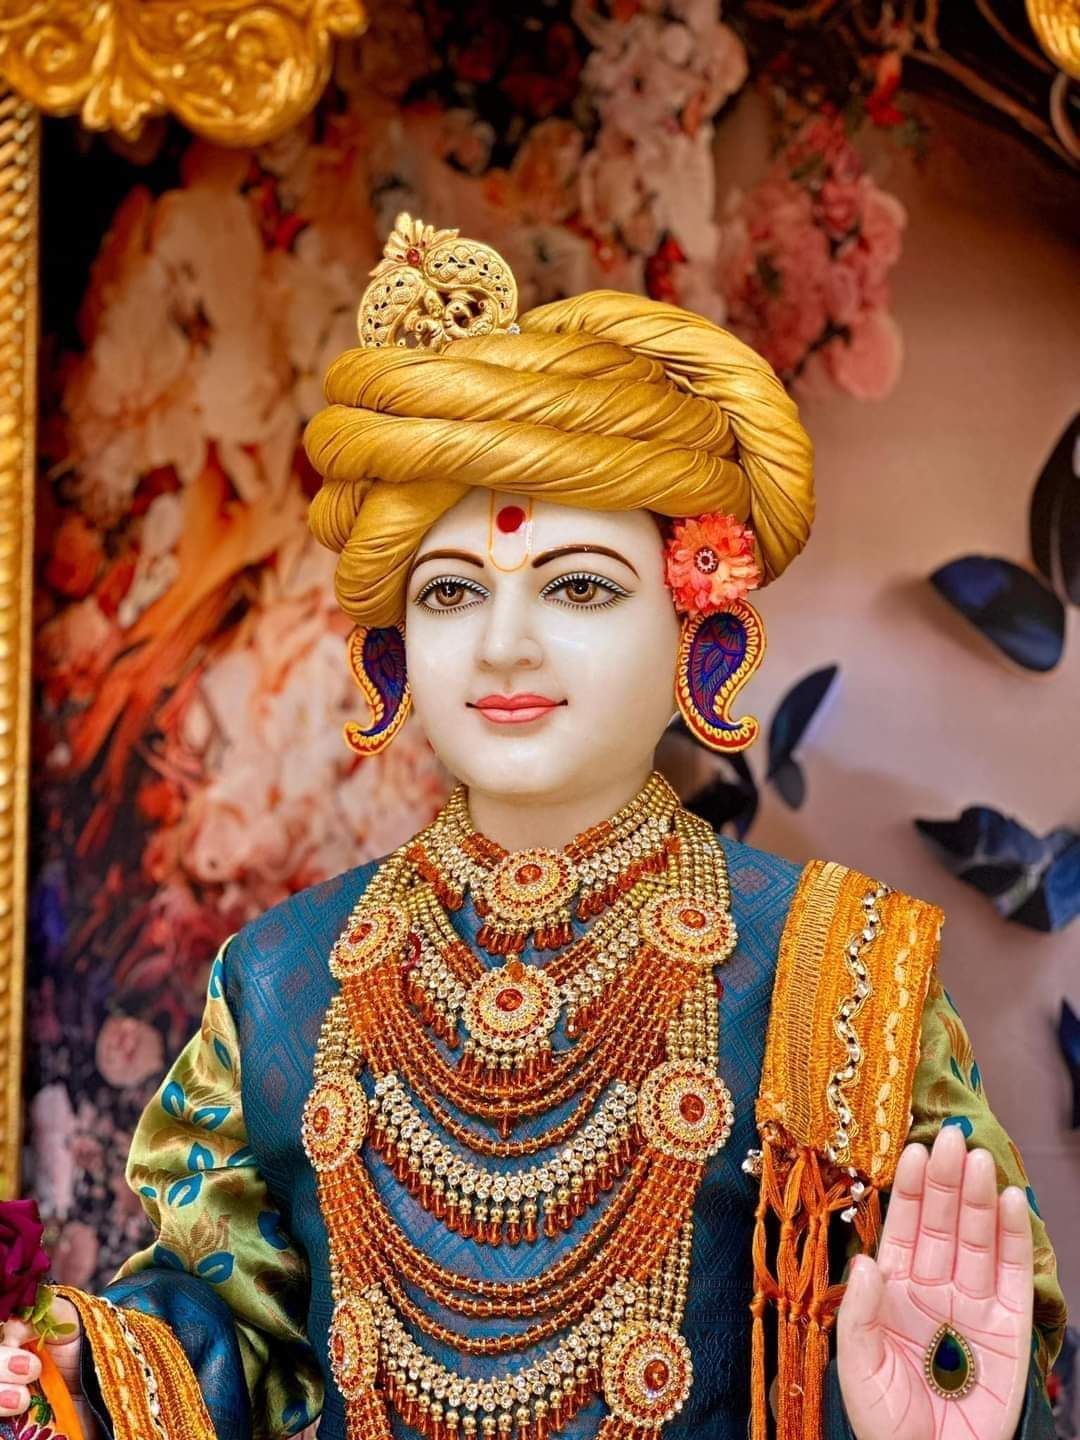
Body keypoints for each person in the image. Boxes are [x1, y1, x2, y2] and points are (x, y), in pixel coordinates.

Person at [0, 215, 1064, 1440]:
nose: (504, 645)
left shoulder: (839, 976)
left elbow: (946, 1339)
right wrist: (74, 1386)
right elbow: (225, 1333)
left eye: (578, 587)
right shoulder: (284, 979)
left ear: (697, 636)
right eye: (452, 592)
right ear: (394, 647)